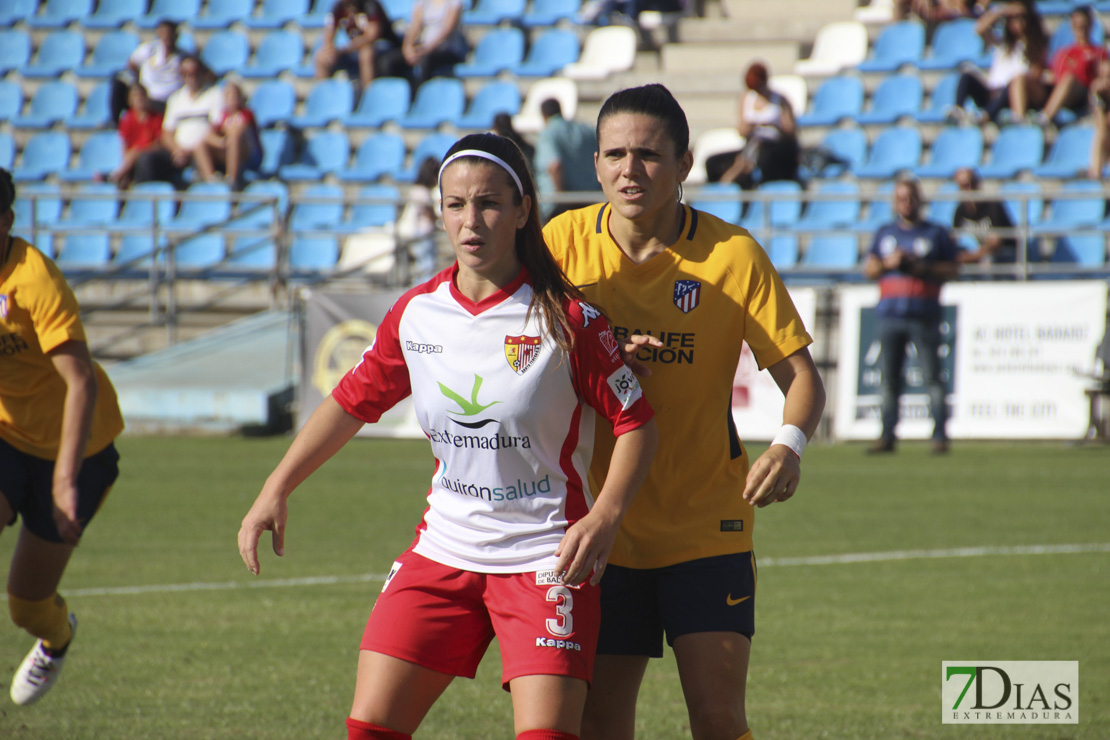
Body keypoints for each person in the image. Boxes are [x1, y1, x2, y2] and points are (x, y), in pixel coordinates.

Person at [238, 132, 659, 740]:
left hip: (545, 560)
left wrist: (606, 515)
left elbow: (636, 420)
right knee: (368, 729)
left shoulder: (567, 320)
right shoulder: (416, 314)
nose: (471, 221)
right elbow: (351, 402)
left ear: (522, 211)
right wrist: (275, 488)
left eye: (488, 203)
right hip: (443, 553)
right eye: (455, 205)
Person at [543, 83, 826, 740]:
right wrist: (601, 359)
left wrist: (789, 445)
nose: (629, 170)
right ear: (595, 164)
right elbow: (521, 364)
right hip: (599, 527)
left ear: (684, 164)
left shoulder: (733, 255)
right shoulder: (559, 245)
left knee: (719, 718)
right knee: (599, 721)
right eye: (614, 154)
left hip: (708, 525)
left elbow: (802, 378)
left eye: (648, 154)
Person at [0, 168, 124, 706]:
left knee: (26, 607)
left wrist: (64, 481)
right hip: (5, 436)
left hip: (79, 452)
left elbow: (81, 384)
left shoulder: (34, 280)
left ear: (4, 222)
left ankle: (58, 636)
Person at [863, 179, 960, 455]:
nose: (906, 202)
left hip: (924, 314)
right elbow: (869, 269)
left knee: (933, 377)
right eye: (901, 198)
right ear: (895, 202)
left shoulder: (935, 233)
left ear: (919, 200)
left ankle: (940, 436)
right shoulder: (885, 233)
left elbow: (954, 269)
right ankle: (887, 436)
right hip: (890, 315)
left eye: (910, 197)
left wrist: (923, 267)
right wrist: (887, 263)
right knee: (889, 380)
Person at [705, 62, 799, 191]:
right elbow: (742, 130)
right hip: (752, 144)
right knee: (713, 162)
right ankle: (722, 190)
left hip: (774, 146)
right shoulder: (746, 98)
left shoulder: (780, 100)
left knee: (762, 158)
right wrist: (755, 125)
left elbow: (790, 132)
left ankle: (731, 185)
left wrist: (773, 124)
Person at [133, 55, 224, 187]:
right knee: (147, 159)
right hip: (179, 153)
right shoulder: (175, 99)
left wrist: (192, 150)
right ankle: (144, 200)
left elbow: (216, 127)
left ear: (202, 73)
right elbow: (167, 133)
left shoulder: (214, 94)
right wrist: (177, 151)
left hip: (203, 150)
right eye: (185, 74)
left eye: (194, 73)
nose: (190, 78)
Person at [951, 1, 1049, 124]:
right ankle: (958, 110)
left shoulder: (1035, 47)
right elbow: (979, 28)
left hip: (1012, 94)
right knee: (967, 75)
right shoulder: (1002, 44)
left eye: (1021, 18)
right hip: (992, 92)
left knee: (1010, 86)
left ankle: (986, 116)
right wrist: (1002, 10)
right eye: (1012, 19)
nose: (1017, 23)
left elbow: (1035, 74)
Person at [1038, 6, 1108, 125]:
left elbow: (1104, 74)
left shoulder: (1098, 52)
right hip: (1059, 90)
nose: (1080, 29)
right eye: (1077, 25)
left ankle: (1044, 118)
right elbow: (1052, 74)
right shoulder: (1063, 52)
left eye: (1083, 25)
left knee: (1069, 78)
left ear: (1090, 25)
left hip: (1083, 93)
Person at [315, 0, 407, 90]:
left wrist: (346, 49)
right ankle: (326, 97)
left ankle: (367, 96)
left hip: (382, 46)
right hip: (354, 48)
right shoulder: (339, 7)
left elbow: (372, 35)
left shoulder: (370, 5)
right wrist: (330, 49)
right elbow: (329, 31)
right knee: (321, 57)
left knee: (366, 53)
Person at [534, 99, 601, 222]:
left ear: (544, 115)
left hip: (562, 206)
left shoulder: (548, 133)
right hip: (591, 201)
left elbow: (555, 166)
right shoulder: (584, 130)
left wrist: (561, 199)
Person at [110, 19, 184, 124]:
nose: (167, 37)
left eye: (170, 34)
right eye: (163, 33)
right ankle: (116, 124)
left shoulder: (183, 56)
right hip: (147, 95)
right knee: (119, 82)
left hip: (168, 99)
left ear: (176, 36)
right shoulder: (149, 49)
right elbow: (131, 64)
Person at [191, 81, 262, 191]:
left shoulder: (246, 113)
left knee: (234, 138)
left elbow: (239, 131)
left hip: (248, 153)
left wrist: (227, 137)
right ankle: (211, 180)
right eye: (228, 96)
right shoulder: (223, 115)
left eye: (234, 95)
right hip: (227, 148)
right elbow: (209, 135)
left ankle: (232, 180)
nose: (232, 99)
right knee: (200, 144)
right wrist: (222, 142)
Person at [951, 167, 1017, 266]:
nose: (968, 190)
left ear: (978, 184)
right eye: (962, 186)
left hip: (1003, 254)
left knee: (988, 261)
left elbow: (995, 244)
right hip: (977, 255)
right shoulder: (960, 210)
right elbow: (955, 240)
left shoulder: (993, 205)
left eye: (970, 184)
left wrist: (971, 256)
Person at [401, 0, 468, 89]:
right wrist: (407, 47)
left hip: (446, 49)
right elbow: (415, 25)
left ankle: (419, 95)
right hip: (424, 48)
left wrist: (426, 49)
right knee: (389, 62)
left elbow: (447, 29)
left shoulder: (454, 2)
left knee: (425, 60)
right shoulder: (423, 2)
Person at [109, 83, 164, 190]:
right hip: (132, 158)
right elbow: (124, 145)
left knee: (138, 155)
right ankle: (122, 177)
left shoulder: (156, 118)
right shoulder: (127, 118)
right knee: (133, 155)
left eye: (142, 96)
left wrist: (139, 151)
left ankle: (116, 176)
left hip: (148, 153)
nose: (139, 99)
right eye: (135, 96)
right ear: (130, 100)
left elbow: (159, 143)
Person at [396, 155, 440, 284]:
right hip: (422, 234)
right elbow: (430, 215)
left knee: (423, 266)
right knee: (426, 266)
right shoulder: (422, 192)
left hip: (419, 233)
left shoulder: (416, 190)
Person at [1089, 58, 1110, 178]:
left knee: (1102, 134)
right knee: (1101, 134)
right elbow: (1099, 124)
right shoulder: (1098, 91)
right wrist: (1098, 100)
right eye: (1103, 77)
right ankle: (1095, 175)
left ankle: (1095, 175)